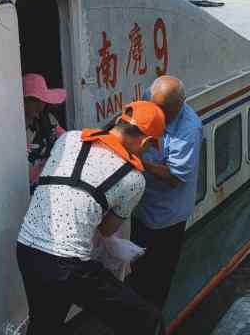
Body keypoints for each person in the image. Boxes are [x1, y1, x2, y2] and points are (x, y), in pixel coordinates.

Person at [17, 101, 166, 335]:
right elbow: (107, 229)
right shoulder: (134, 180)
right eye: (149, 146)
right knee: (146, 318)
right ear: (146, 141)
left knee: (45, 324)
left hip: (27, 248)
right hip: (68, 265)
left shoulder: (69, 139)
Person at [129, 75, 204, 310]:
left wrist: (140, 161)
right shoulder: (151, 102)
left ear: (180, 105)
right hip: (139, 208)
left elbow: (174, 177)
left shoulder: (189, 129)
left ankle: (152, 322)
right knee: (136, 272)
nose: (155, 114)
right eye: (153, 106)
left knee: (156, 283)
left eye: (163, 110)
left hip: (165, 219)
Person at [22, 73, 66, 189]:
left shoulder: (47, 120)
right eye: (34, 101)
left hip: (49, 185)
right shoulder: (11, 129)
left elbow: (66, 139)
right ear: (23, 101)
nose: (40, 106)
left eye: (42, 101)